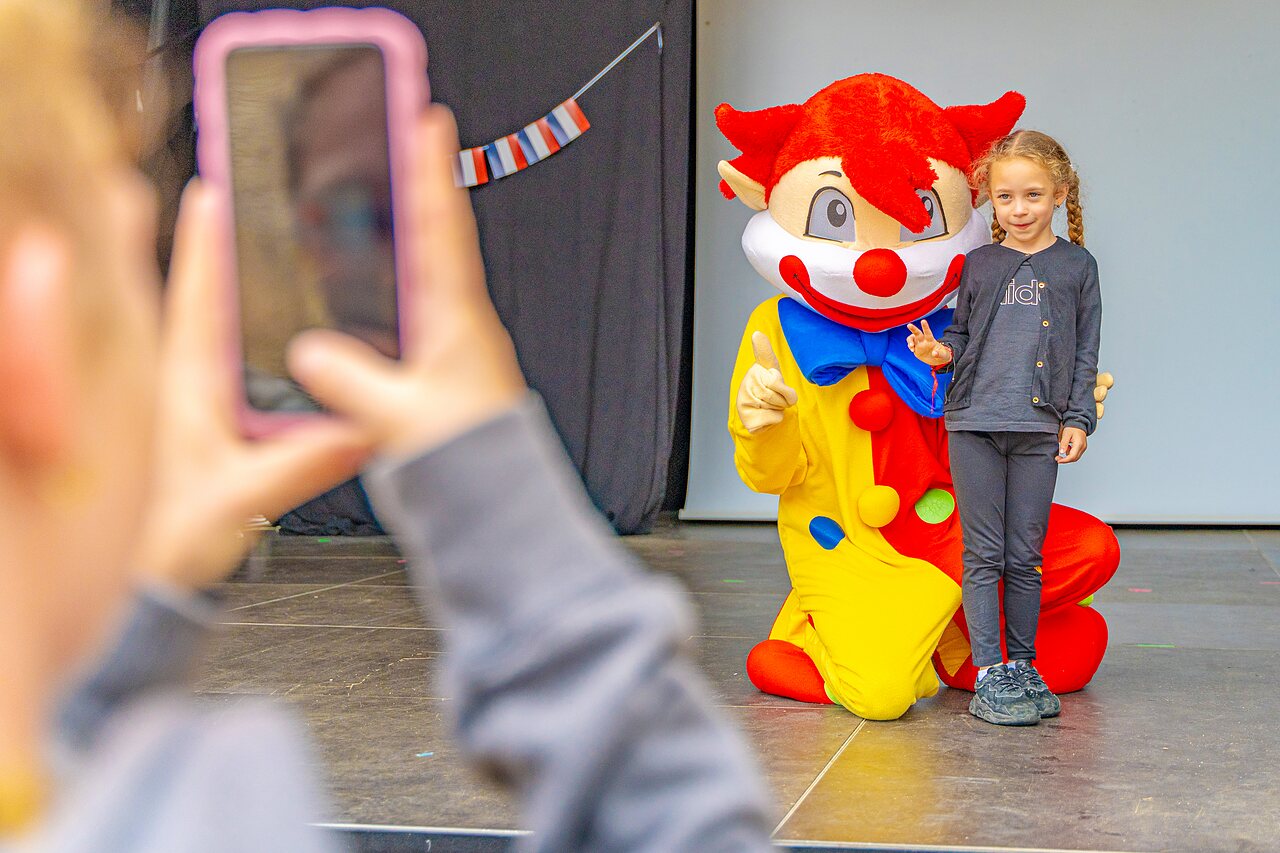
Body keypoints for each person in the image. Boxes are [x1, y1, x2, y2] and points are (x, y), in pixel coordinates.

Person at [0, 2, 773, 849]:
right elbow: (675, 822)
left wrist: (143, 603)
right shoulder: (204, 816)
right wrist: (495, 484)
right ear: (36, 342)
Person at [905, 130, 1102, 726]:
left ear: (1060, 194)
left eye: (1033, 195)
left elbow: (1086, 349)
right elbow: (962, 334)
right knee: (984, 553)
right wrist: (942, 353)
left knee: (1026, 555)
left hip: (1039, 430)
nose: (1019, 209)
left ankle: (1022, 663)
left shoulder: (1077, 266)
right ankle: (991, 670)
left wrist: (1079, 418)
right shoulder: (981, 265)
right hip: (975, 425)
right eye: (1007, 197)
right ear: (991, 199)